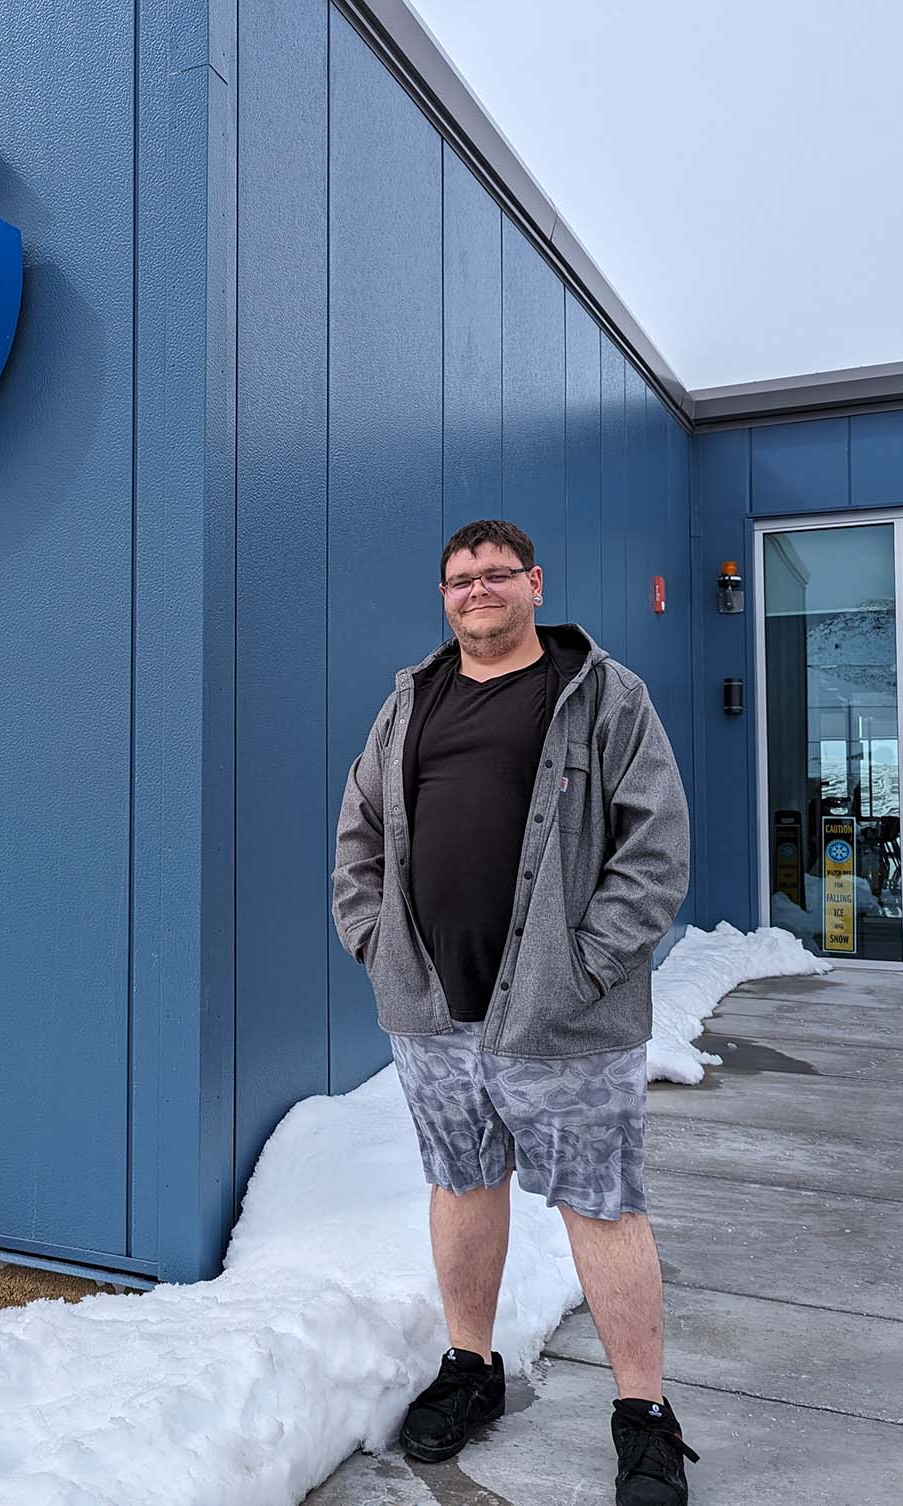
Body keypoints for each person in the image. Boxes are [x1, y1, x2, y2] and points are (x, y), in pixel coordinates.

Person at [332, 520, 696, 1504]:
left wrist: (583, 967)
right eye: (460, 579)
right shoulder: (409, 703)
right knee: (460, 1183)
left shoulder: (601, 698)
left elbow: (653, 848)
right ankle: (469, 1368)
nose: (477, 590)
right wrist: (371, 938)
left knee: (600, 1204)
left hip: (564, 1018)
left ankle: (644, 1419)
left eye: (497, 575)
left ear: (534, 583)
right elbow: (358, 827)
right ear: (441, 594)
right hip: (432, 1009)